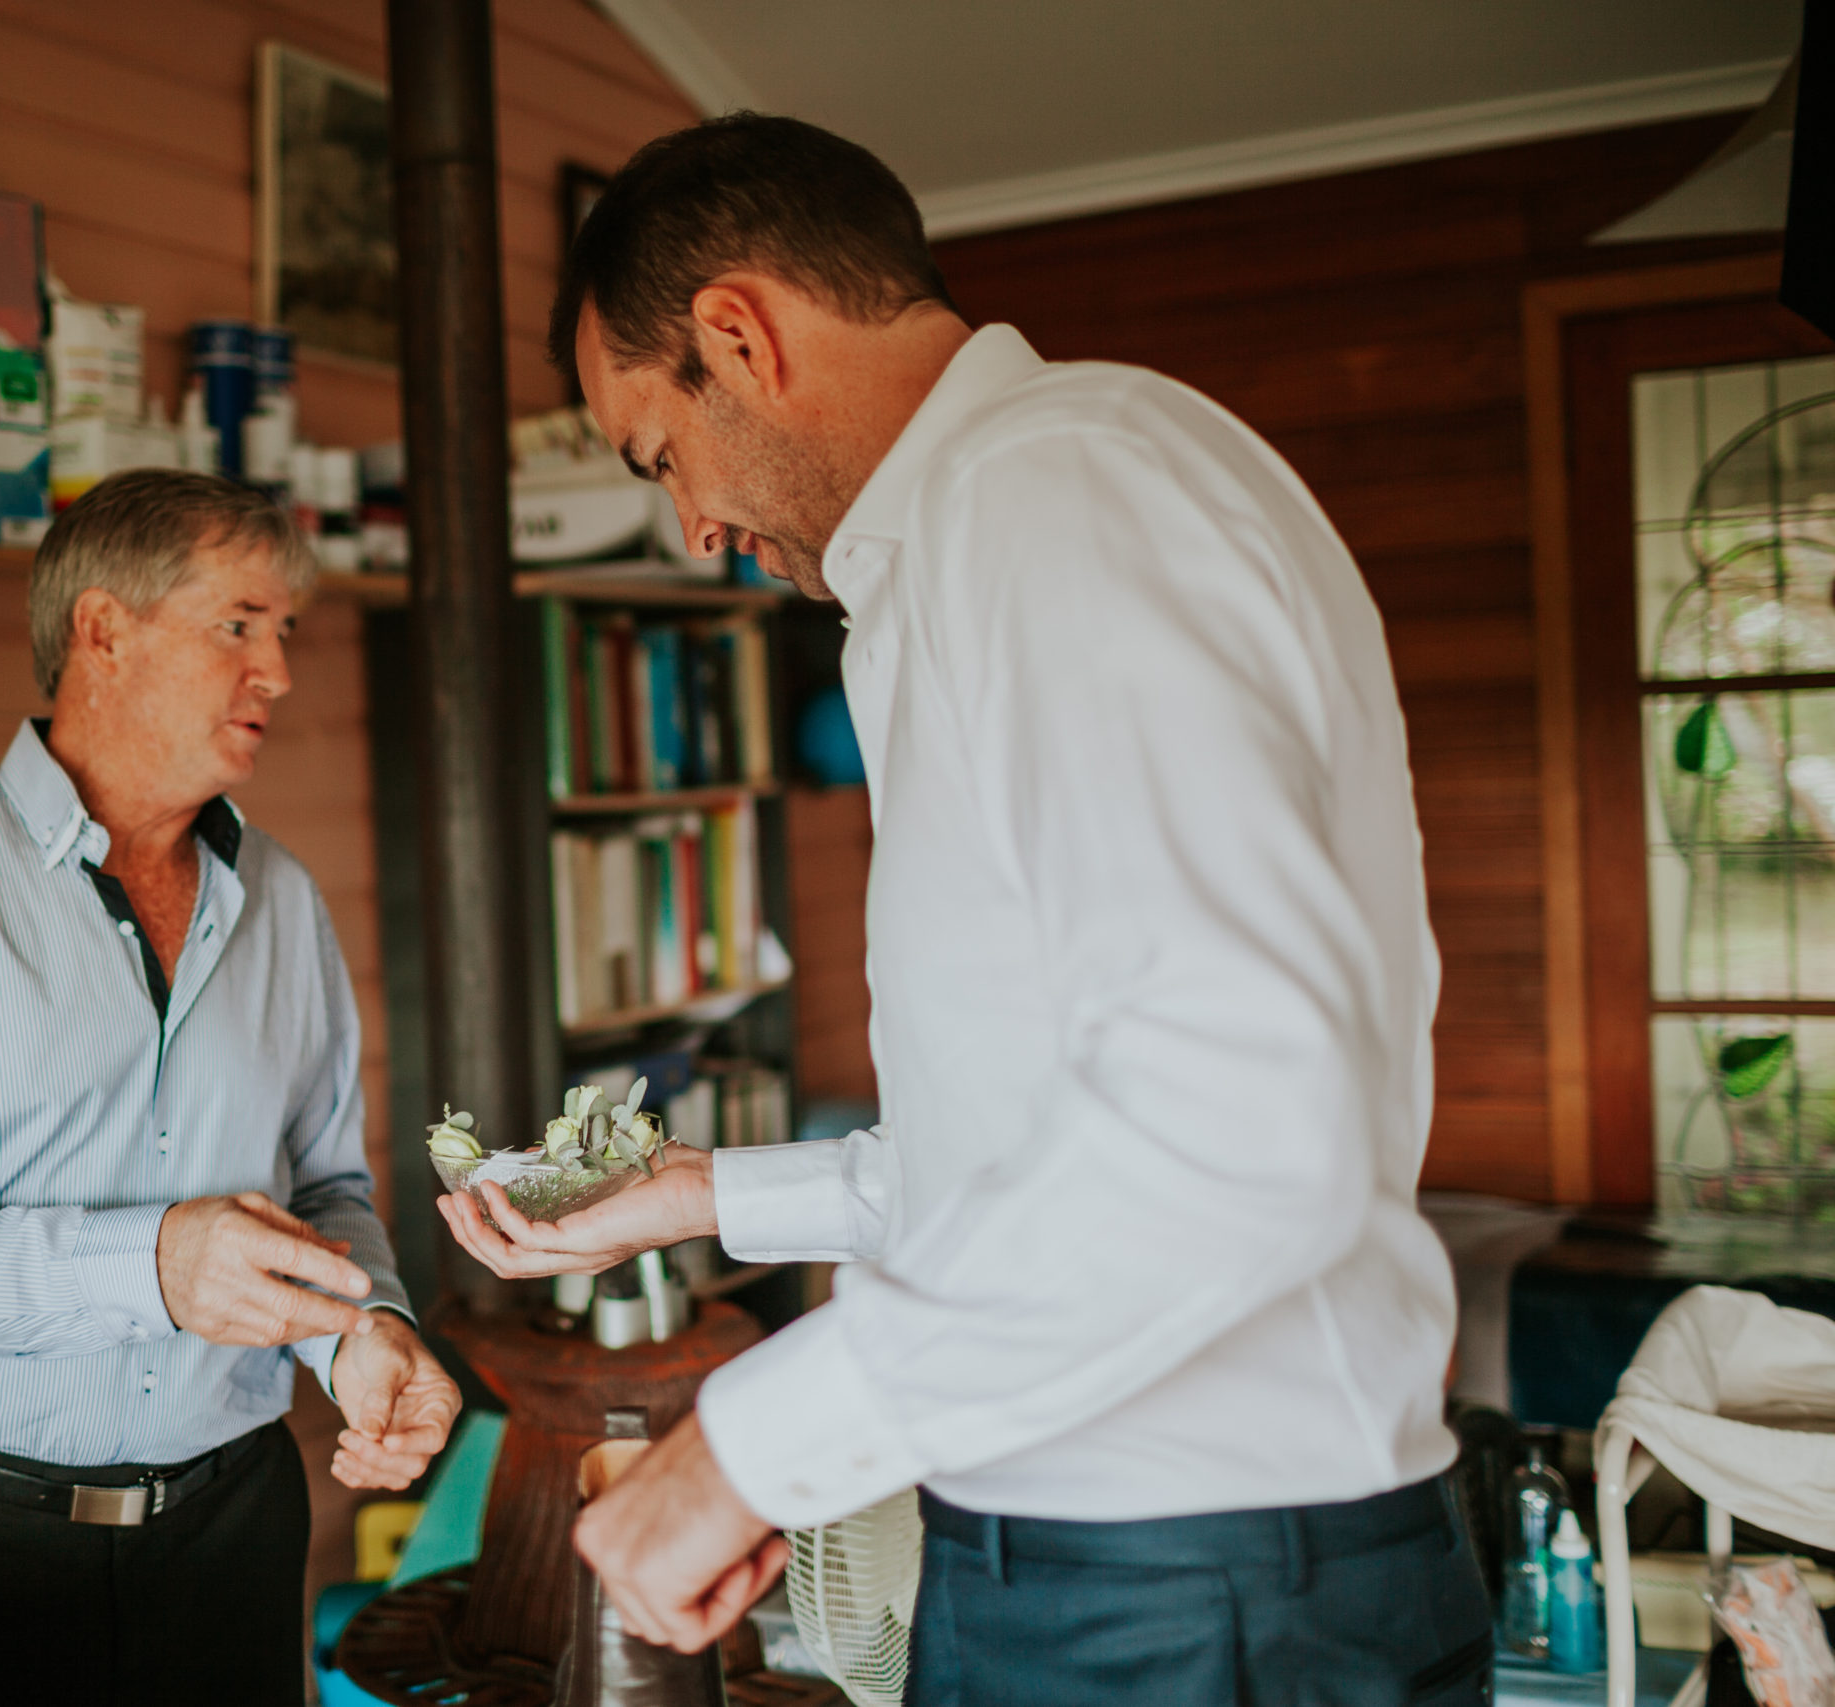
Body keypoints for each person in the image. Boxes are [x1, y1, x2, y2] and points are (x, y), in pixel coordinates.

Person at [441, 116, 1487, 1706]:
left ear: (741, 335)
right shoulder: (993, 525)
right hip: (1156, 1570)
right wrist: (702, 1190)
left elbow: (1234, 1106)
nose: (694, 526)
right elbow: (1041, 1143)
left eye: (661, 453)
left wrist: (753, 1443)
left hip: (1189, 1588)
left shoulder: (1049, 491)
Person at [0, 469, 458, 1707]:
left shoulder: (284, 900)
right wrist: (149, 1265)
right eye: (237, 624)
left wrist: (365, 1333)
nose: (277, 671)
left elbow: (325, 1191)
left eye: (282, 631)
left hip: (232, 1541)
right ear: (103, 631)